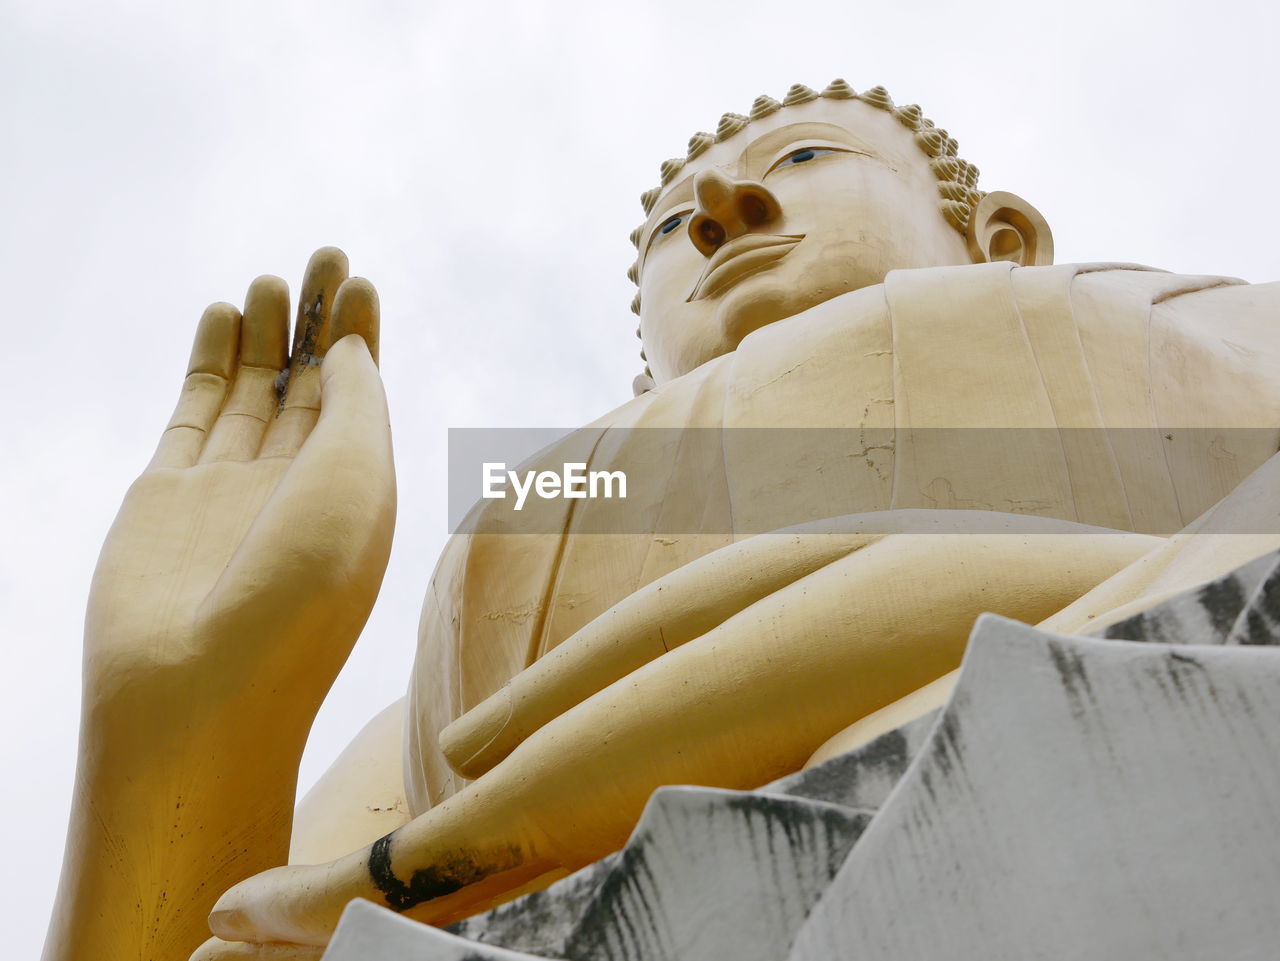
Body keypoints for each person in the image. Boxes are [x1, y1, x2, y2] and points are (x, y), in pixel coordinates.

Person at [42, 81, 1280, 960]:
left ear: (990, 229)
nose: (722, 206)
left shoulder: (1176, 324)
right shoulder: (522, 539)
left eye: (804, 161)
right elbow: (268, 931)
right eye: (664, 226)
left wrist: (1011, 581)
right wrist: (189, 734)